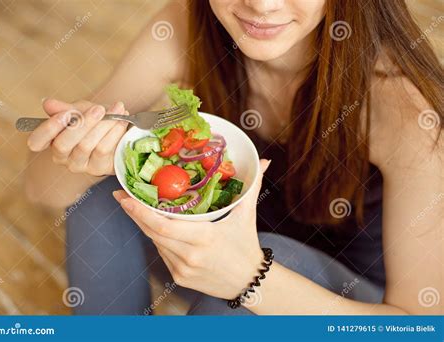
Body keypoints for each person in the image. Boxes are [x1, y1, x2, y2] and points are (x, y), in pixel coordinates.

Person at [25, 0, 443, 315]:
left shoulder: (406, 108)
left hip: (343, 306)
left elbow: (420, 327)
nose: (261, 5)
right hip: (202, 265)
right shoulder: (187, 24)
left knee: (271, 261)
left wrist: (249, 279)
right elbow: (41, 190)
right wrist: (77, 153)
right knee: (106, 190)